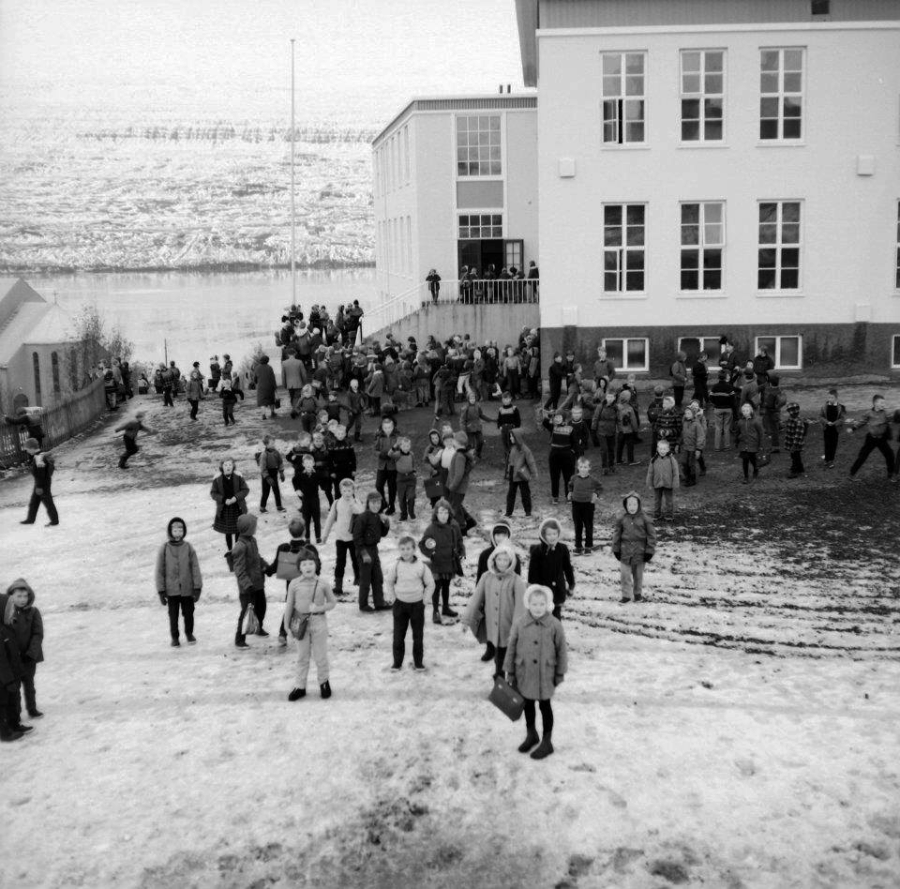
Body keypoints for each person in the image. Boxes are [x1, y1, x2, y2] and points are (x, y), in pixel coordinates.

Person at [503, 584, 567, 761]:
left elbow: (561, 649)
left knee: (545, 706)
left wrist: (560, 672)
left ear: (548, 605)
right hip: (524, 672)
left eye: (541, 604)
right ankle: (531, 734)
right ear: (528, 604)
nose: (538, 608)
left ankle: (547, 741)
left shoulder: (554, 625)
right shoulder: (520, 623)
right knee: (528, 705)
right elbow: (511, 647)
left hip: (546, 674)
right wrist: (509, 670)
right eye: (534, 604)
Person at [463, 545, 526, 679]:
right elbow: (476, 599)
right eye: (499, 559)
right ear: (494, 559)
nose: (502, 563)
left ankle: (510, 679)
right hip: (492, 625)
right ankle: (499, 677)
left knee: (508, 654)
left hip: (507, 626)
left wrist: (516, 629)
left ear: (510, 561)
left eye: (505, 560)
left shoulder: (516, 581)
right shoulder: (486, 577)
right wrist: (467, 620)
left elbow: (520, 608)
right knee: (499, 653)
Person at [284, 548, 336, 701]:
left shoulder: (323, 583)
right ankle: (300, 686)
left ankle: (324, 682)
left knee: (320, 656)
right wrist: (287, 628)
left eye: (311, 563)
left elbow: (333, 602)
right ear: (299, 567)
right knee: (302, 656)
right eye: (304, 564)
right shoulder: (294, 584)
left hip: (318, 622)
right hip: (300, 624)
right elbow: (289, 606)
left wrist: (319, 608)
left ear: (316, 565)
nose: (308, 567)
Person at [386, 536, 434, 672]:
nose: (405, 552)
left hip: (417, 606)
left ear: (414, 550)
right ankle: (397, 663)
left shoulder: (421, 566)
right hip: (400, 605)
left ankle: (418, 663)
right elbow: (389, 582)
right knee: (398, 636)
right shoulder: (396, 565)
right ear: (399, 550)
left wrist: (424, 601)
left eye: (408, 548)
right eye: (402, 549)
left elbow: (430, 584)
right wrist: (393, 598)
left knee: (418, 637)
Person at [155, 517, 202, 647]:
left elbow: (195, 567)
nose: (178, 533)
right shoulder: (164, 549)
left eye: (180, 530)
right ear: (170, 531)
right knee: (173, 615)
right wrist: (161, 591)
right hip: (171, 590)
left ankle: (189, 633)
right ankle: (175, 637)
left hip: (187, 588)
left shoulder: (188, 547)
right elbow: (160, 570)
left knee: (189, 613)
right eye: (175, 530)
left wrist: (197, 587)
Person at [419, 498, 464, 625]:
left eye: (446, 512)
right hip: (437, 563)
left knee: (446, 585)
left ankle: (445, 607)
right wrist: (431, 553)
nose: (444, 515)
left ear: (450, 513)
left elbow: (460, 541)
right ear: (436, 514)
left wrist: (461, 554)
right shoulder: (431, 529)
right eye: (441, 512)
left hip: (449, 562)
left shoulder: (454, 526)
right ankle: (435, 611)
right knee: (436, 587)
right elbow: (423, 544)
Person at [4, 579, 43, 722]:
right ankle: (16, 712)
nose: (22, 599)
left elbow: (38, 634)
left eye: (25, 596)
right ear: (11, 597)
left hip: (29, 657)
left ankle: (32, 708)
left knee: (29, 683)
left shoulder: (33, 612)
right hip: (13, 657)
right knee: (14, 686)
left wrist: (31, 653)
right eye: (18, 596)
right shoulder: (6, 613)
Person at [611, 491, 656, 604]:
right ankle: (626, 595)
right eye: (629, 504)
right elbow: (617, 534)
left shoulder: (645, 519)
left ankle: (637, 594)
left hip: (640, 552)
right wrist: (616, 549)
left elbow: (652, 536)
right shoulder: (622, 519)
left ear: (639, 505)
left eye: (634, 504)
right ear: (626, 505)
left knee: (638, 575)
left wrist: (649, 551)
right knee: (625, 575)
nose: (632, 507)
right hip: (625, 551)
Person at [232, 513, 269, 648]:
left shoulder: (252, 541)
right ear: (247, 528)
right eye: (254, 526)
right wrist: (247, 585)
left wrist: (266, 565)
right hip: (247, 588)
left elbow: (257, 558)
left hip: (258, 583)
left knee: (261, 607)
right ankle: (239, 639)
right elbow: (239, 569)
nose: (256, 528)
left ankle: (258, 627)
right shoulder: (240, 546)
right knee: (246, 612)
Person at [322, 478, 364, 597]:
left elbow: (361, 512)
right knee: (340, 562)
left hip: (353, 538)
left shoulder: (356, 501)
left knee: (356, 559)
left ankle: (359, 579)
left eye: (349, 491)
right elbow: (330, 519)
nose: (347, 493)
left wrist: (352, 504)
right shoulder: (336, 503)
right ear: (340, 490)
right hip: (340, 538)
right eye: (344, 491)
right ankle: (338, 585)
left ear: (353, 491)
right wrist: (325, 535)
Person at [528, 518, 575, 620]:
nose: (552, 537)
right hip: (542, 590)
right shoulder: (537, 551)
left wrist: (571, 584)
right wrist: (533, 589)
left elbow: (567, 568)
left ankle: (556, 634)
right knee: (542, 616)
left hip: (558, 590)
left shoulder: (562, 549)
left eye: (554, 534)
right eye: (549, 534)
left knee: (556, 616)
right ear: (543, 535)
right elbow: (532, 573)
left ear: (558, 533)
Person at [353, 491, 391, 612]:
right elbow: (357, 537)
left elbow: (383, 533)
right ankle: (363, 605)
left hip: (374, 549)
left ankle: (379, 603)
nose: (376, 505)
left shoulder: (377, 516)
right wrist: (363, 553)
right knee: (365, 579)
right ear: (368, 503)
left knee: (377, 577)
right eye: (373, 502)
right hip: (364, 550)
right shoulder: (362, 517)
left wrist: (386, 523)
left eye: (378, 502)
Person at [848, 394, 895, 480]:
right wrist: (853, 428)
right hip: (871, 439)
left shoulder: (886, 413)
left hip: (881, 439)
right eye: (881, 403)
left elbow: (893, 418)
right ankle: (852, 474)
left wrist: (895, 416)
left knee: (890, 455)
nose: (883, 405)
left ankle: (890, 474)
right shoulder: (869, 413)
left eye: (884, 403)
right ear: (875, 403)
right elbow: (862, 421)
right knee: (862, 456)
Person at [0, 599, 28, 742]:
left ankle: (14, 724)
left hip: (13, 674)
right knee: (2, 703)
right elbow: (2, 662)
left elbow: (14, 652)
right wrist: (8, 680)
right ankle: (4, 732)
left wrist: (20, 671)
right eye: (9, 610)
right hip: (3, 679)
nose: (12, 613)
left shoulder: (8, 627)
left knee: (14, 701)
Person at [211, 457, 250, 553]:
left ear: (233, 466)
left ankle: (237, 549)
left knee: (237, 530)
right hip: (225, 509)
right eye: (225, 465)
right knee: (227, 531)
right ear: (222, 467)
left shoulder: (238, 477)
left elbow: (245, 490)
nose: (228, 467)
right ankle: (230, 550)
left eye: (230, 465)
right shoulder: (217, 479)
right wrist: (223, 500)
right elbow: (213, 493)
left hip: (237, 507)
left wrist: (235, 498)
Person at [18, 437, 59, 527]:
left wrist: (39, 486)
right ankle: (30, 519)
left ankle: (54, 521)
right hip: (41, 482)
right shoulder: (40, 455)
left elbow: (40, 473)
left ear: (32, 448)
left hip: (42, 484)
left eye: (27, 449)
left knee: (48, 502)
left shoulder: (39, 458)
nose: (27, 451)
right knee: (34, 502)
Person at [567, 457, 603, 554]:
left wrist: (596, 494)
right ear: (578, 467)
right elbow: (570, 485)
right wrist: (570, 492)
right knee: (578, 525)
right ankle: (578, 546)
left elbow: (600, 487)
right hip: (576, 504)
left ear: (589, 468)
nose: (583, 469)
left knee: (588, 525)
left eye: (585, 467)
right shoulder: (574, 478)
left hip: (588, 505)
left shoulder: (592, 480)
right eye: (581, 467)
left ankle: (588, 546)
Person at [543, 409, 577, 504]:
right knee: (554, 477)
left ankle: (569, 496)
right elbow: (545, 422)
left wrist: (572, 453)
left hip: (567, 455)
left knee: (569, 477)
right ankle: (555, 497)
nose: (557, 419)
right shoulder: (553, 427)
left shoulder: (570, 428)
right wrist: (550, 415)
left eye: (559, 417)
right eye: (556, 417)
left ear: (564, 418)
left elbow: (575, 443)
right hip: (554, 455)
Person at [505, 429, 537, 518]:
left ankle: (528, 511)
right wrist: (508, 472)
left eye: (512, 436)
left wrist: (534, 473)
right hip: (513, 473)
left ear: (517, 438)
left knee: (525, 493)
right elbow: (510, 462)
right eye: (510, 436)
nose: (511, 438)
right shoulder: (512, 448)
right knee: (511, 493)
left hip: (521, 474)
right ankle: (508, 512)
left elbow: (531, 462)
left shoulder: (525, 449)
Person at [646, 439, 680, 521]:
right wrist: (649, 483)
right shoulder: (654, 459)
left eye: (664, 449)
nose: (662, 451)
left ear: (668, 449)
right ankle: (656, 513)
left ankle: (669, 514)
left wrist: (675, 483)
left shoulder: (672, 459)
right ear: (657, 449)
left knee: (669, 500)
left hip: (668, 483)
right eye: (660, 449)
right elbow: (650, 472)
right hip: (657, 483)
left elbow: (676, 471)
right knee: (657, 499)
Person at [374, 415, 399, 515]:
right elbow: (375, 450)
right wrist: (380, 454)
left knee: (392, 487)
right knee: (378, 485)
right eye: (385, 428)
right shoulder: (380, 437)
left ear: (392, 427)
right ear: (382, 428)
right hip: (382, 465)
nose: (387, 430)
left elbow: (400, 451)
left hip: (393, 467)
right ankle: (383, 502)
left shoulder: (397, 438)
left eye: (389, 427)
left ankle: (391, 506)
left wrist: (393, 455)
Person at [735, 403, 765, 484]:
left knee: (752, 459)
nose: (745, 412)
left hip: (753, 444)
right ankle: (746, 477)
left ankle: (756, 468)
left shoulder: (756, 422)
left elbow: (761, 433)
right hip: (743, 445)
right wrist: (737, 441)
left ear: (751, 411)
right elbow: (737, 433)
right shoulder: (740, 422)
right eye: (743, 411)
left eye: (747, 410)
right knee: (745, 460)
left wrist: (761, 445)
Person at [256, 434, 286, 513]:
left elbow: (280, 462)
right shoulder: (264, 455)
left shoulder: (276, 452)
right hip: (266, 476)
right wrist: (267, 477)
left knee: (276, 491)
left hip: (274, 473)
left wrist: (281, 472)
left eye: (274, 443)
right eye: (272, 443)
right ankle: (262, 507)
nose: (273, 444)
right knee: (266, 492)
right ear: (266, 444)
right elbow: (263, 468)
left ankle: (279, 506)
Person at [391, 436, 418, 521]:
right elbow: (389, 454)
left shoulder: (411, 454)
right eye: (404, 446)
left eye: (407, 446)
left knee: (411, 496)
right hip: (401, 479)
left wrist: (413, 470)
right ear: (401, 446)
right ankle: (404, 514)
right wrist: (395, 445)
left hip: (410, 478)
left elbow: (413, 463)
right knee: (401, 498)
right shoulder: (398, 454)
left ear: (410, 446)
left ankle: (411, 511)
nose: (406, 448)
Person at [783, 403, 812, 478]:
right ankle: (800, 469)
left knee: (795, 457)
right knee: (796, 456)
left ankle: (794, 471)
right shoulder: (791, 419)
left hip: (795, 444)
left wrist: (794, 446)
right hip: (791, 442)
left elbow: (798, 436)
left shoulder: (798, 422)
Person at [819, 389, 846, 469]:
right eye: (829, 397)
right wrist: (827, 422)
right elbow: (820, 417)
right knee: (827, 444)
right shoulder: (824, 407)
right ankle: (826, 459)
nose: (830, 399)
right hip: (827, 429)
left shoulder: (840, 408)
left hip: (835, 429)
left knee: (833, 445)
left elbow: (842, 419)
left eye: (831, 398)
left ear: (836, 398)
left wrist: (835, 423)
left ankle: (831, 460)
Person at [255, 354, 278, 419]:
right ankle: (272, 412)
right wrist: (275, 387)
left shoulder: (257, 368)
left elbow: (255, 378)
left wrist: (257, 382)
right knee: (271, 399)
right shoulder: (269, 367)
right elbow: (273, 378)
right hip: (270, 386)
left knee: (262, 401)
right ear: (267, 361)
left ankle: (263, 415)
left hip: (261, 387)